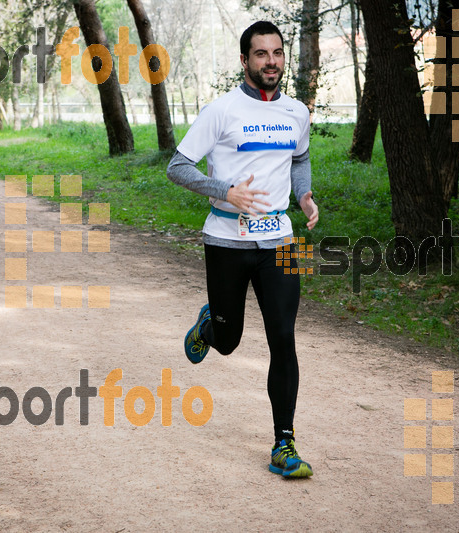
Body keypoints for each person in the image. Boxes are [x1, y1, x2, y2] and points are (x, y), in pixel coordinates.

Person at [167, 21, 319, 479]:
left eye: (277, 53)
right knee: (229, 342)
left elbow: (299, 158)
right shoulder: (222, 111)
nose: (271, 61)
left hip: (280, 240)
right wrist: (225, 191)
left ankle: (284, 444)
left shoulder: (296, 112)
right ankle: (209, 327)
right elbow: (177, 167)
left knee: (284, 340)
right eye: (261, 54)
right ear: (244, 60)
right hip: (226, 240)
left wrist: (305, 195)